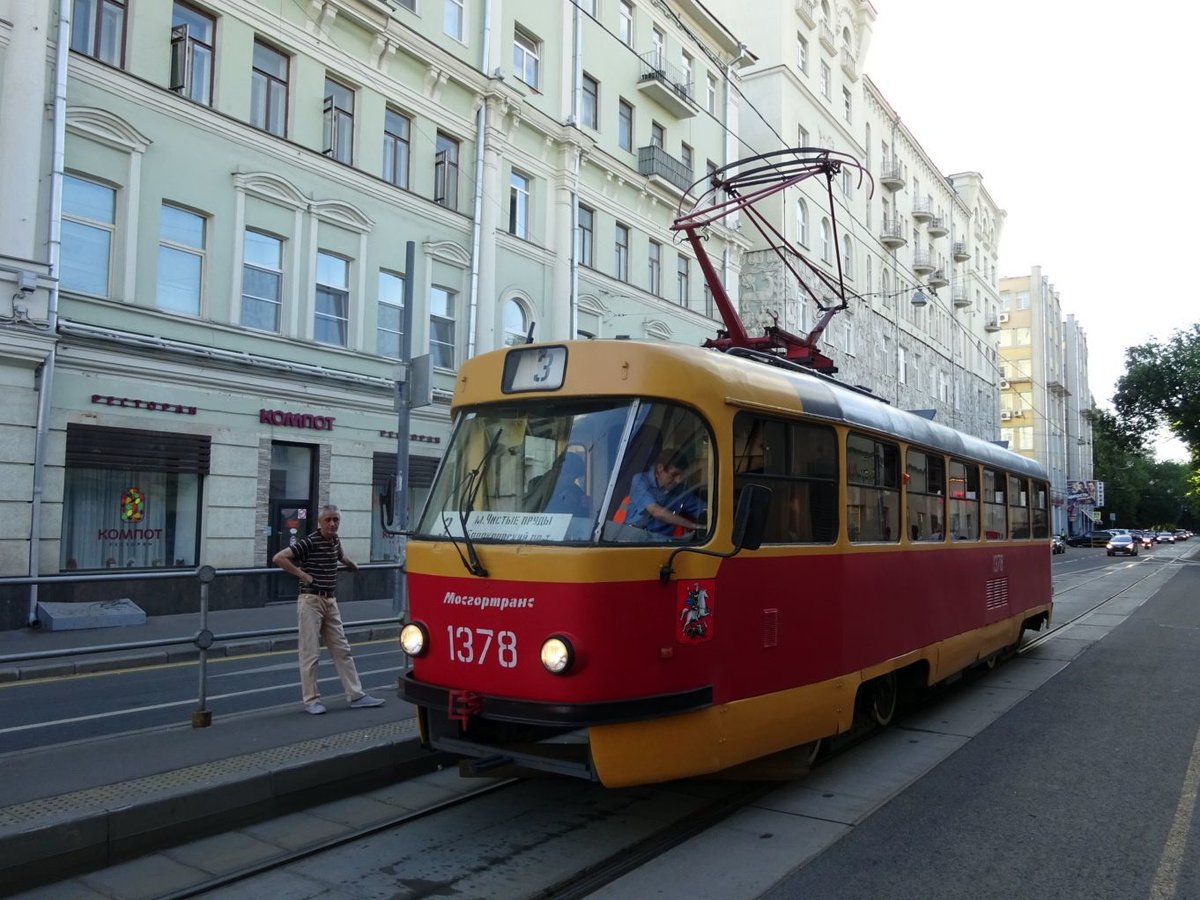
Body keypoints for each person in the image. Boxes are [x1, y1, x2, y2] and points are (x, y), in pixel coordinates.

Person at [272, 504, 386, 715]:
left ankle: (356, 695)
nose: (333, 524)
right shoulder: (309, 541)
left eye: (336, 520)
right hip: (310, 600)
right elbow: (279, 557)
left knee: (343, 650)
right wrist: (302, 574)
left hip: (330, 601)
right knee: (311, 653)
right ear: (320, 522)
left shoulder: (334, 540)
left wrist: (352, 564)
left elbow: (340, 556)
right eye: (328, 520)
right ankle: (311, 700)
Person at [623, 448, 706, 538]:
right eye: (673, 475)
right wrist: (693, 526)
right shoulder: (640, 480)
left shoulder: (681, 490)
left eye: (680, 476)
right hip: (633, 539)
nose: (678, 480)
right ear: (660, 468)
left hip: (662, 544)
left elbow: (703, 509)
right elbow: (655, 511)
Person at [545, 452, 590, 517]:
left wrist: (584, 506)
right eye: (571, 475)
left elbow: (583, 518)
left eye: (575, 477)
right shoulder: (540, 486)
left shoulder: (576, 491)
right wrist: (561, 501)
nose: (573, 480)